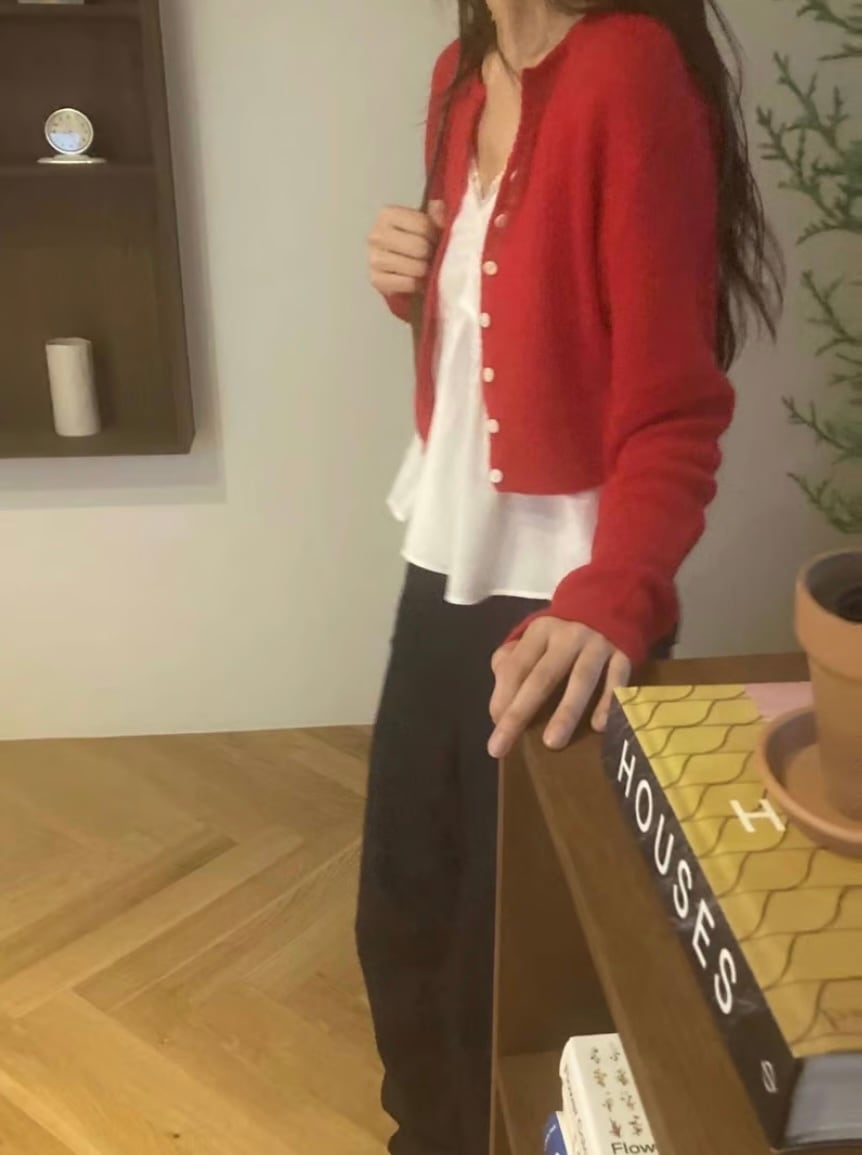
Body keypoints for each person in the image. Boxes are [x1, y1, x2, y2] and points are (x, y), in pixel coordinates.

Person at [357, 3, 782, 1154]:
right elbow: (502, 316)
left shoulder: (625, 71)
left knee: (515, 953)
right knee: (404, 901)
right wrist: (411, 283)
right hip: (445, 555)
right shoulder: (459, 76)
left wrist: (616, 597)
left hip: (567, 594)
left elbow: (673, 404)